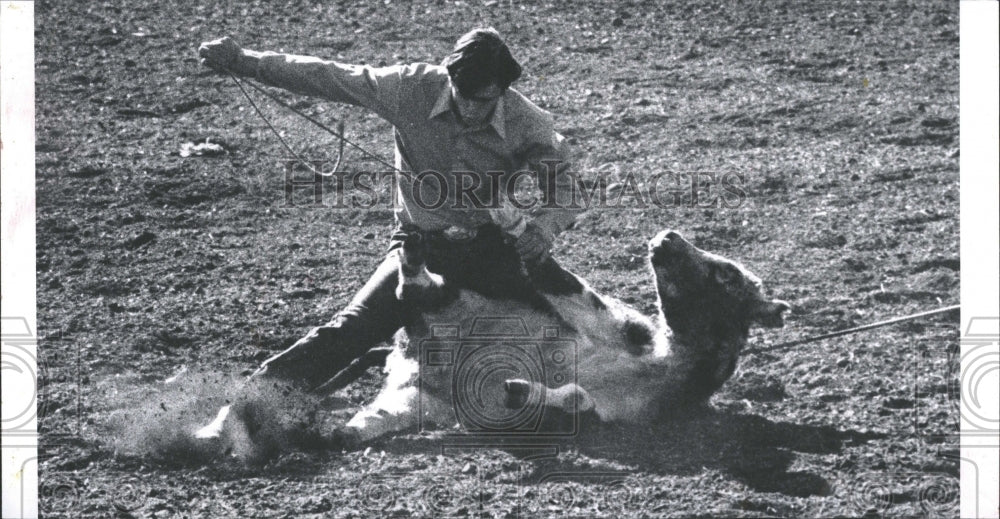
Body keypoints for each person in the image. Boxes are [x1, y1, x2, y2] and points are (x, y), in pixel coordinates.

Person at [195, 28, 584, 433]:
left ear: (502, 89)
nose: (469, 108)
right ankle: (241, 412)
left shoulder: (528, 121)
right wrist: (243, 61)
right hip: (420, 246)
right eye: (461, 94)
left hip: (491, 250)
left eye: (482, 100)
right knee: (353, 327)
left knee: (568, 324)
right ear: (449, 76)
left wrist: (544, 227)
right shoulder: (410, 88)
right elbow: (331, 76)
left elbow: (568, 191)